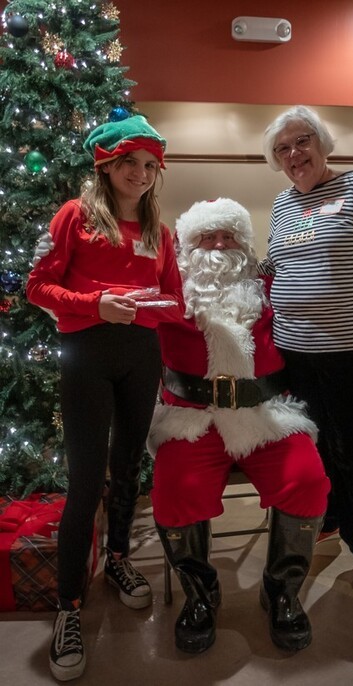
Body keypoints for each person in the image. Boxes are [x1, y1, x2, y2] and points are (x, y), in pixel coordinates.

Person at [26, 114, 185, 682]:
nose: (140, 174)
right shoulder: (76, 215)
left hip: (141, 356)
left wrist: (154, 305)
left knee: (128, 468)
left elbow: (174, 298)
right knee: (86, 482)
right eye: (130, 163)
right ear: (107, 164)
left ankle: (118, 557)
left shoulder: (160, 230)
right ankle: (69, 605)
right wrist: (98, 305)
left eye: (150, 166)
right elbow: (37, 286)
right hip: (87, 356)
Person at [147, 197, 330, 655]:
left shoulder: (270, 285)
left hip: (266, 416)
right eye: (207, 237)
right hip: (192, 418)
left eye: (228, 236)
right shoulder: (169, 290)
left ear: (245, 244)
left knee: (307, 480)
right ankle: (201, 595)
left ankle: (282, 590)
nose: (219, 245)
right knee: (175, 490)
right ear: (188, 246)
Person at [259, 105, 353, 602]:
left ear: (322, 143)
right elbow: (275, 267)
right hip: (295, 355)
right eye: (283, 148)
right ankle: (328, 519)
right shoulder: (283, 204)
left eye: (302, 141)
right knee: (316, 447)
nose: (294, 154)